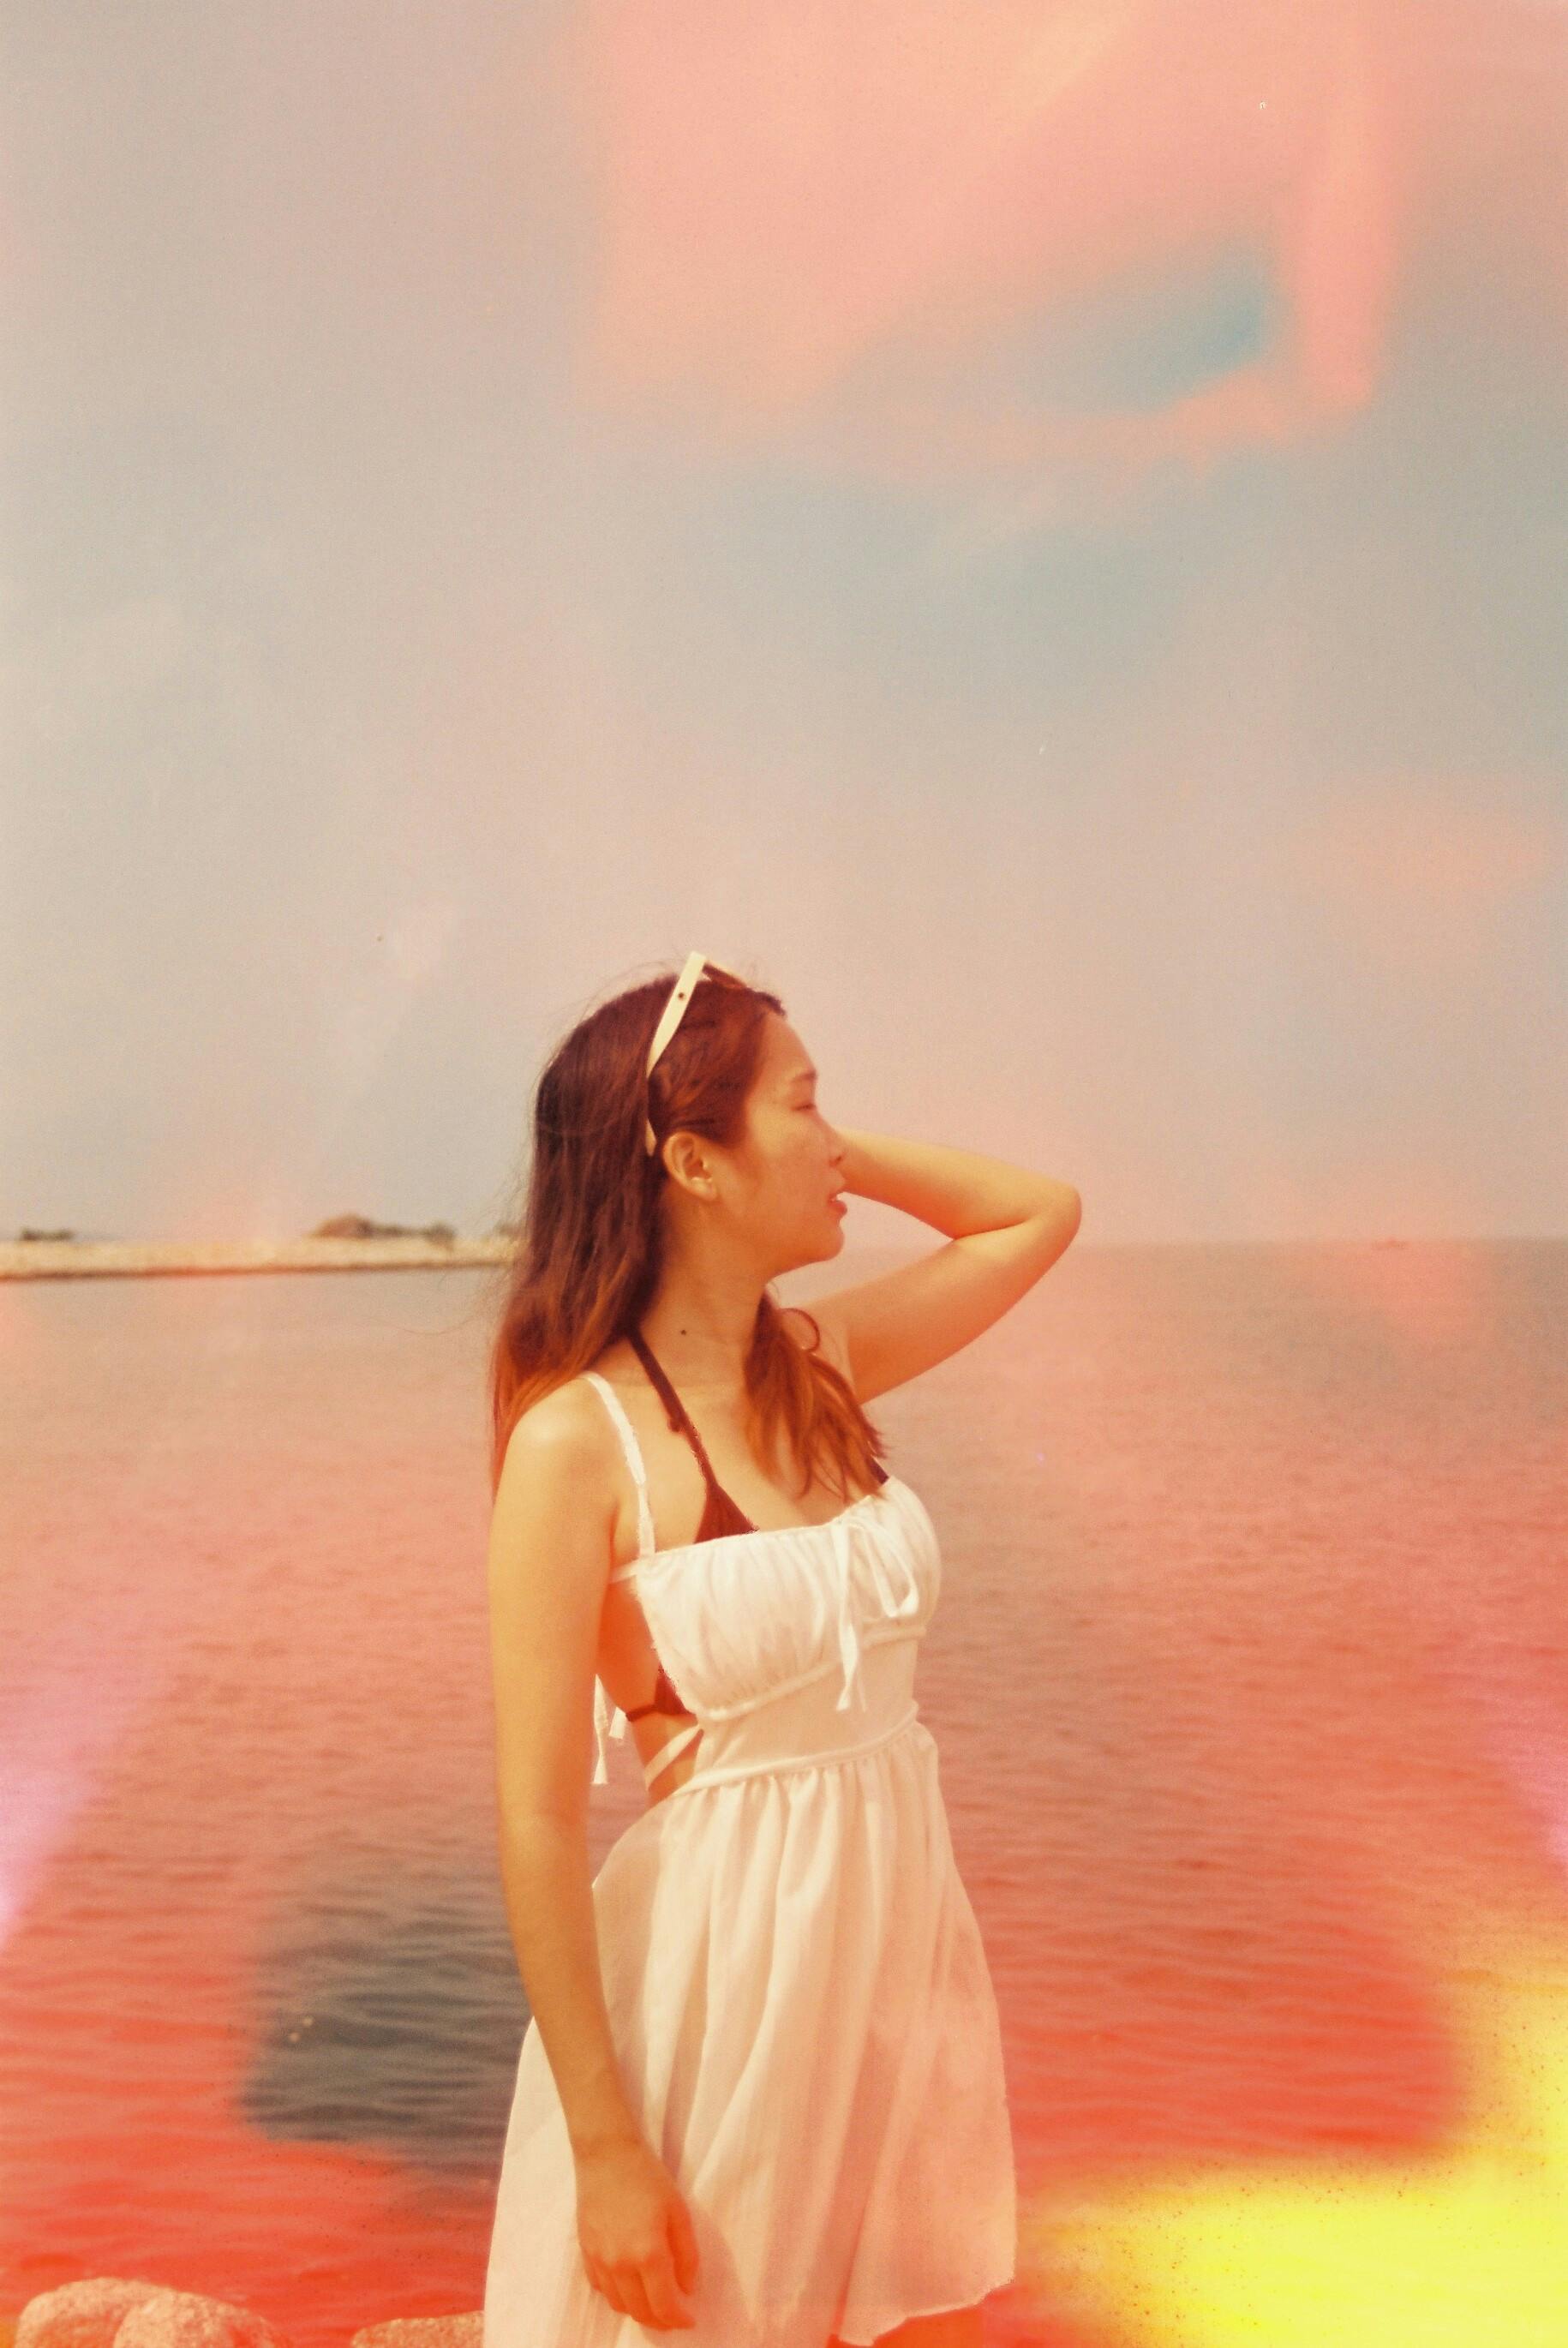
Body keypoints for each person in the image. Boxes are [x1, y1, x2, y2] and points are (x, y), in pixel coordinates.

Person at [482, 954, 1081, 2347]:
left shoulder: (814, 1365)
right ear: (690, 1161)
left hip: (889, 1952)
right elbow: (531, 1820)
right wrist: (605, 2148)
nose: (833, 1141)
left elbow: (1034, 1217)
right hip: (722, 1982)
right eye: (803, 1105)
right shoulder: (580, 1443)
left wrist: (819, 1151)